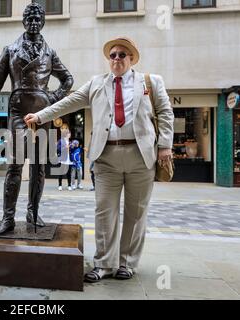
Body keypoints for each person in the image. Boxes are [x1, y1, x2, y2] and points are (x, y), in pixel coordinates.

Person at [25, 37, 174, 283]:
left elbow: (166, 113)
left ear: (131, 59)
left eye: (122, 55)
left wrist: (165, 146)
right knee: (105, 211)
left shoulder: (151, 82)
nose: (117, 59)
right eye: (113, 55)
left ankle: (126, 263)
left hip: (141, 155)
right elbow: (68, 103)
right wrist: (40, 116)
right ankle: (104, 263)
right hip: (106, 157)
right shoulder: (96, 83)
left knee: (136, 213)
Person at [0, 3, 74, 235]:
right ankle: (8, 218)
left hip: (42, 115)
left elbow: (68, 79)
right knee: (14, 166)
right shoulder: (10, 50)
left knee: (38, 167)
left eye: (38, 19)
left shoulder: (50, 53)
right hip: (18, 112)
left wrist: (52, 99)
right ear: (24, 21)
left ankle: (33, 213)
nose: (34, 22)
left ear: (43, 22)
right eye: (30, 18)